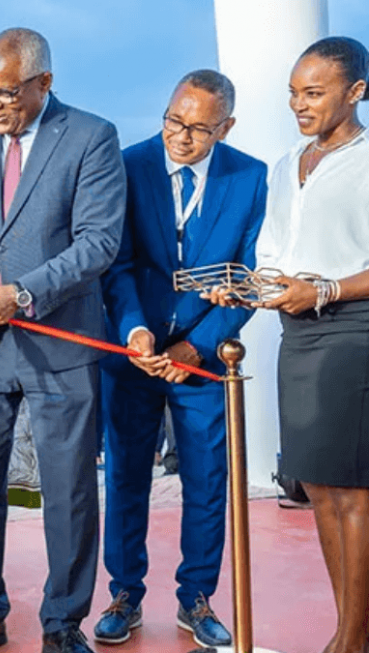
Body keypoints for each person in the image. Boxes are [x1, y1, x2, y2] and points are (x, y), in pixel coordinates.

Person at [0, 28, 126, 653]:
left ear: (45, 83)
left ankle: (63, 623)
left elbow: (98, 242)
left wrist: (24, 293)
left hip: (60, 340)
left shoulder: (92, 137)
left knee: (68, 491)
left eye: (6, 92)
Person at [206, 36, 369, 653]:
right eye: (294, 94)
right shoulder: (285, 165)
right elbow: (277, 263)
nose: (300, 105)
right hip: (298, 337)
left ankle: (351, 638)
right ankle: (351, 625)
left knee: (354, 493)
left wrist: (325, 289)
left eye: (315, 92)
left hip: (355, 332)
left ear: (356, 92)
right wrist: (240, 289)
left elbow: (329, 273)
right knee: (320, 487)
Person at [94, 70, 266, 647]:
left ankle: (197, 597)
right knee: (124, 477)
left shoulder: (250, 177)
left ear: (226, 127)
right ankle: (124, 593)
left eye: (198, 128)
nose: (181, 136)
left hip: (202, 359)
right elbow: (113, 264)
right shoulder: (126, 163)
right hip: (132, 357)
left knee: (206, 479)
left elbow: (246, 277)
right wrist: (136, 332)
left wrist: (196, 344)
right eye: (173, 120)